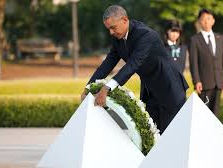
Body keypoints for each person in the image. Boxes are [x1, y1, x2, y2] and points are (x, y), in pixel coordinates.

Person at [81, 5, 188, 134]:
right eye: (108, 29)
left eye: (113, 27)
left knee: (171, 136)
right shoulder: (118, 39)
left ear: (124, 20)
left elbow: (132, 65)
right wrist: (88, 88)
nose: (111, 32)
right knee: (153, 137)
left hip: (170, 89)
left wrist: (106, 88)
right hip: (150, 92)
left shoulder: (146, 35)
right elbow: (107, 64)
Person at [189, 8, 223, 115]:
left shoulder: (220, 38)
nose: (206, 21)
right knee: (204, 113)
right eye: (203, 19)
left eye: (208, 18)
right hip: (204, 83)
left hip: (218, 82)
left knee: (215, 112)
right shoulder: (195, 40)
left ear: (213, 20)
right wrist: (196, 81)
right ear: (199, 22)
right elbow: (193, 63)